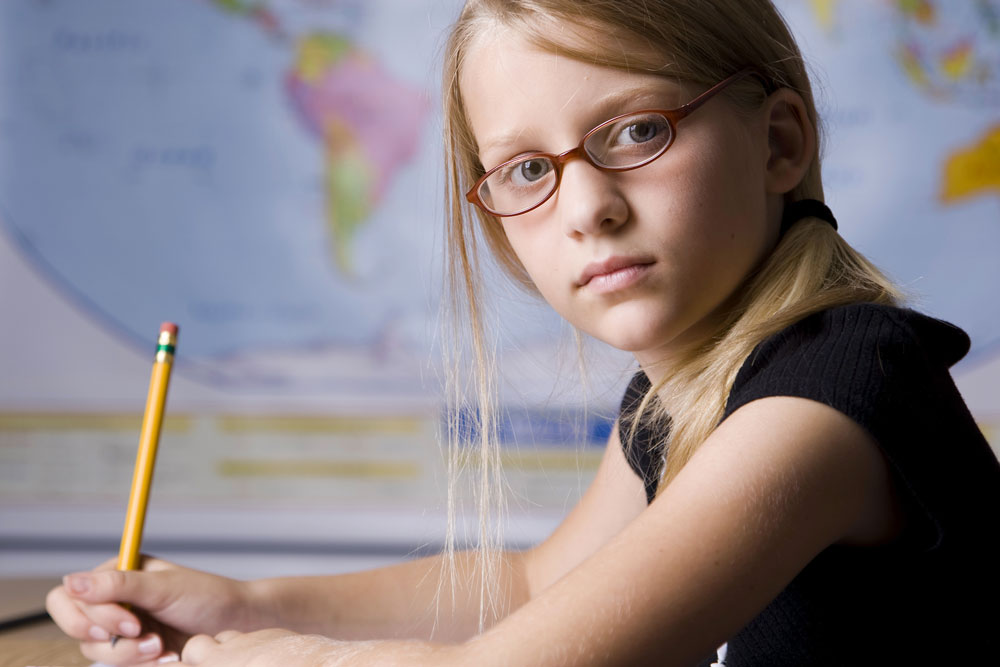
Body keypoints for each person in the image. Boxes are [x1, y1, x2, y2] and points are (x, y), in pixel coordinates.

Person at [46, 1, 1000, 665]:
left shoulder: (829, 396)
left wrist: (283, 658)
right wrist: (241, 607)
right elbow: (539, 587)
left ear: (779, 143)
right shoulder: (687, 389)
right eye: (526, 170)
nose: (587, 208)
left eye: (635, 132)